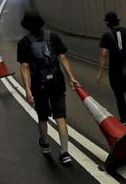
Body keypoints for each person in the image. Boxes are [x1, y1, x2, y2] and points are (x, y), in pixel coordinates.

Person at [17, 11, 80, 165]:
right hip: (57, 81)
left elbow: (25, 67)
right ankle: (65, 152)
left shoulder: (24, 42)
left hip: (39, 84)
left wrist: (27, 89)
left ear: (26, 26)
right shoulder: (53, 37)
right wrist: (71, 78)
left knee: (42, 116)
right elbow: (63, 57)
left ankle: (45, 143)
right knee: (60, 116)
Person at [96, 11, 126, 125]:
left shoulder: (106, 35)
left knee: (119, 95)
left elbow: (104, 54)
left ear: (108, 23)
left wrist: (100, 72)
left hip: (115, 70)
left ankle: (124, 120)